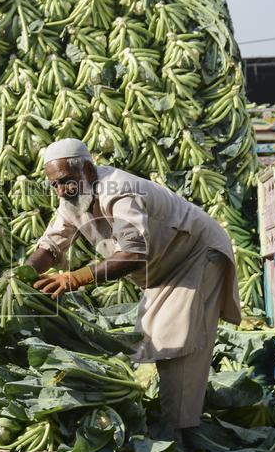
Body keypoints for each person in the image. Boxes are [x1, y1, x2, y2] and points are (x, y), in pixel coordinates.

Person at [24, 138, 242, 434]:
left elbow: (133, 255)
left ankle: (181, 430)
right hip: (164, 267)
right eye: (54, 185)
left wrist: (74, 278)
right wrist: (20, 277)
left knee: (177, 342)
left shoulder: (120, 191)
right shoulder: (73, 197)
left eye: (65, 182)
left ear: (88, 170)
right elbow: (51, 245)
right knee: (155, 337)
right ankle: (173, 421)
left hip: (195, 255)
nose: (61, 191)